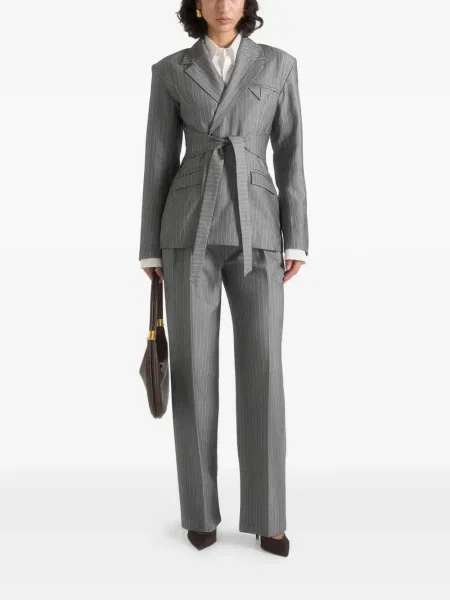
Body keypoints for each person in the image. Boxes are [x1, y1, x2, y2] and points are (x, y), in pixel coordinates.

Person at [138, 0, 309, 558]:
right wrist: (149, 247)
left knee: (264, 369)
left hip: (259, 226)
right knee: (192, 373)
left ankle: (268, 516)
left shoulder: (278, 64)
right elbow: (158, 158)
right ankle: (199, 512)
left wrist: (296, 236)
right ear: (195, 5)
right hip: (187, 227)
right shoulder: (171, 70)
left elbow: (291, 152)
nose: (222, 5)